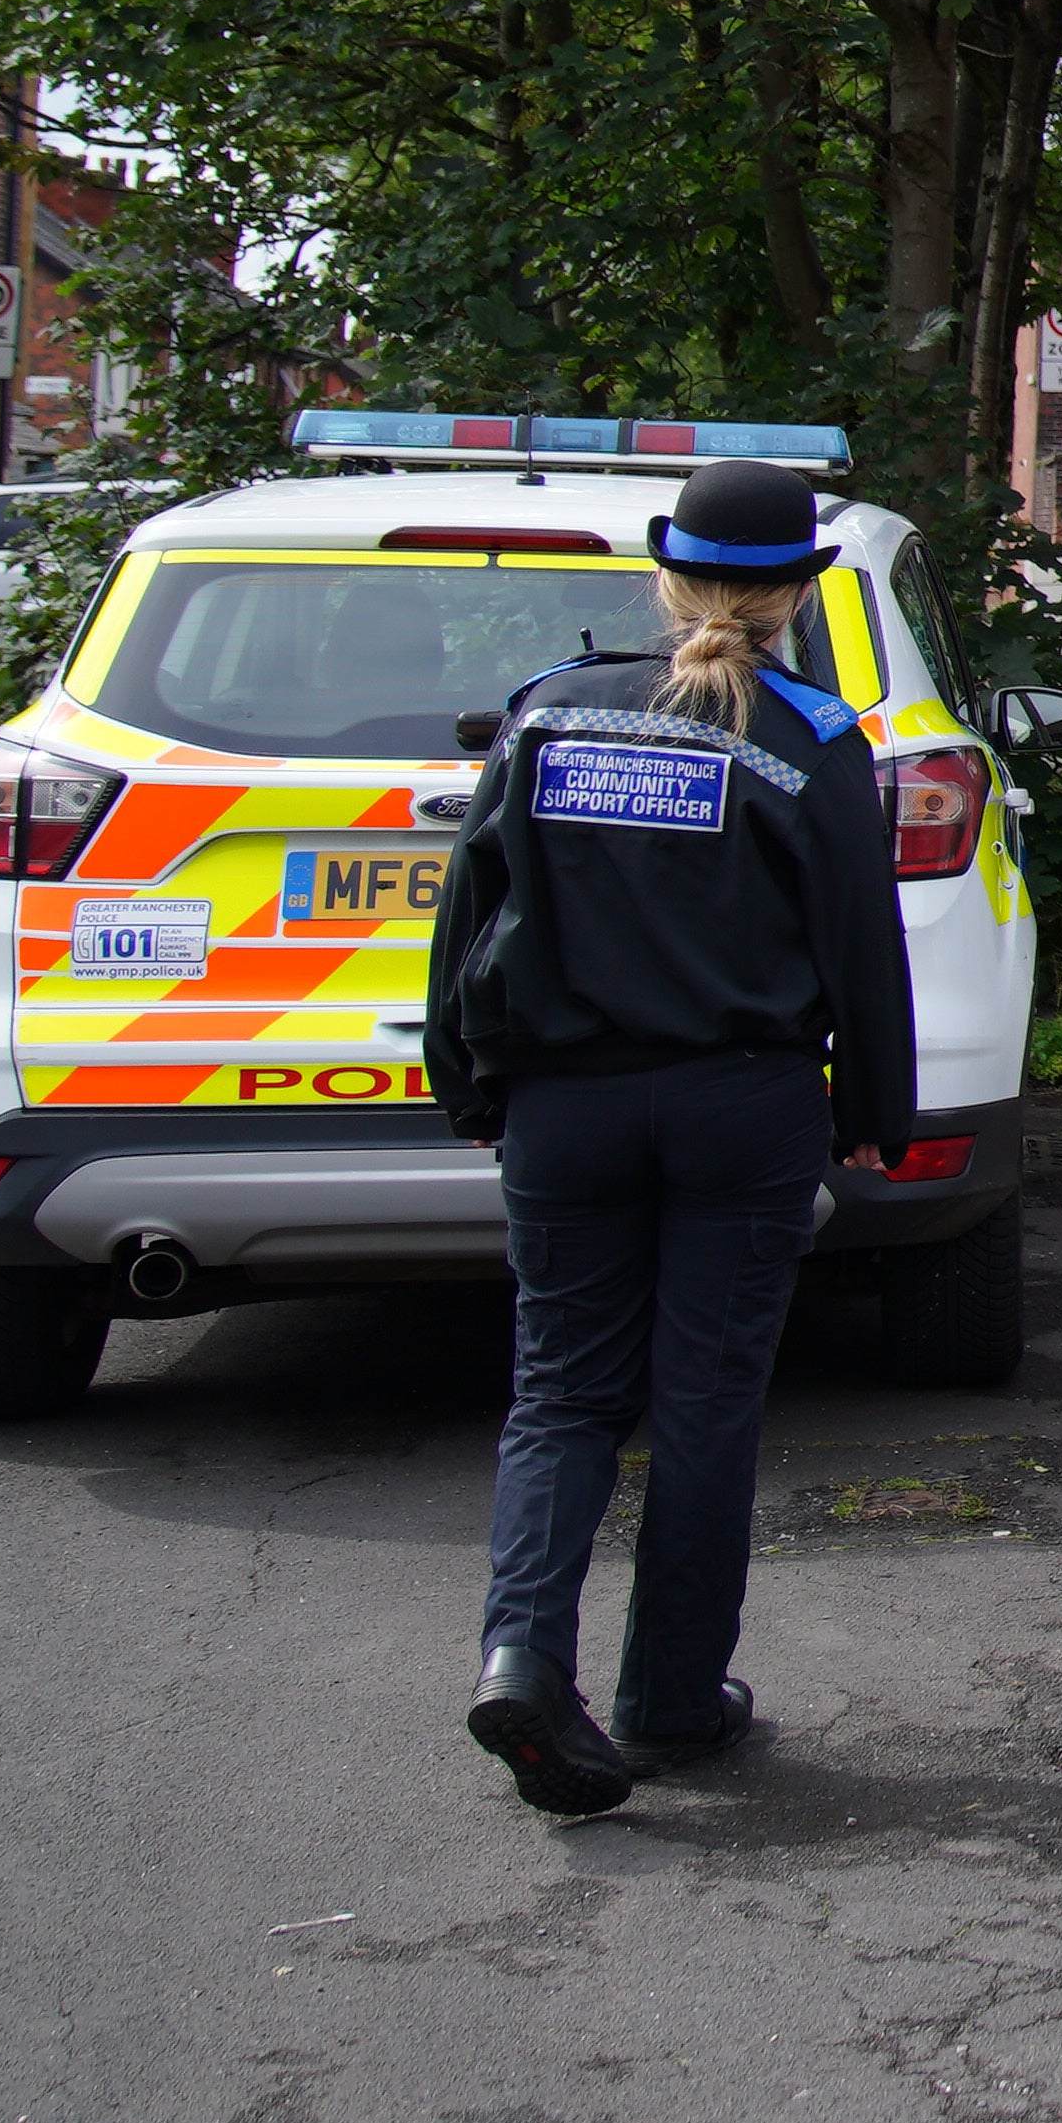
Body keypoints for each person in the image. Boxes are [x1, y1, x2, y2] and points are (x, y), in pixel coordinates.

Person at [425, 454, 912, 1818]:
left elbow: (473, 919)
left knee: (562, 1392)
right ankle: (669, 1701)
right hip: (741, 1108)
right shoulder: (813, 740)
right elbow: (859, 950)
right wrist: (876, 1110)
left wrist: (466, 1080)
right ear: (796, 597)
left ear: (668, 577)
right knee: (703, 1404)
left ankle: (523, 1657)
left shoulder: (545, 717)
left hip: (565, 1108)